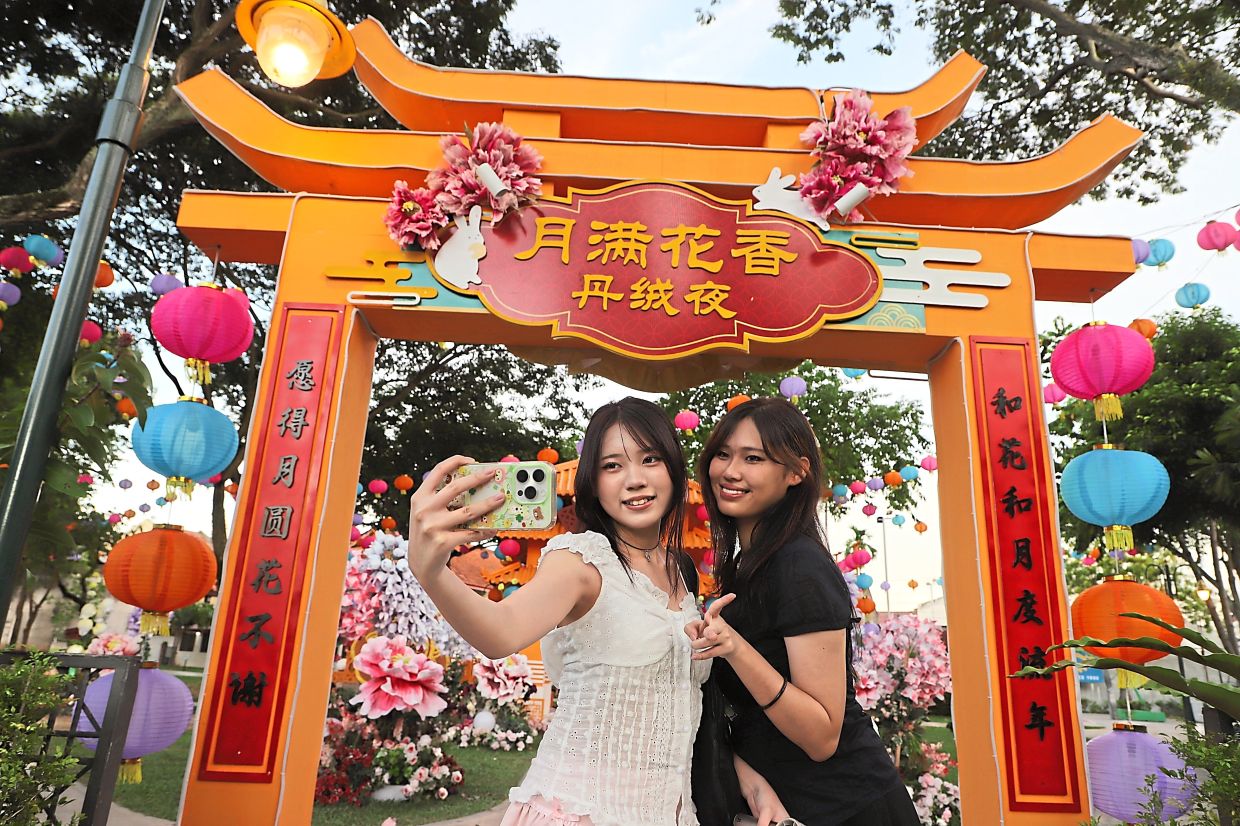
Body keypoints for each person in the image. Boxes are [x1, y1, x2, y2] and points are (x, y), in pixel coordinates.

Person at [407, 397, 784, 826]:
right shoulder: (580, 561)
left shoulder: (681, 571)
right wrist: (430, 571)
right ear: (593, 482)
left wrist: (751, 783)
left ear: (674, 471)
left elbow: (687, 709)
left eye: (650, 459)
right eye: (612, 466)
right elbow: (500, 631)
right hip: (579, 809)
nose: (635, 480)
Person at [687, 397, 918, 826]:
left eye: (753, 458)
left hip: (847, 805)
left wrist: (736, 649)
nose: (730, 471)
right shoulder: (749, 565)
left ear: (796, 472)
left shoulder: (799, 566)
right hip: (791, 804)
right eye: (722, 454)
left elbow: (822, 735)